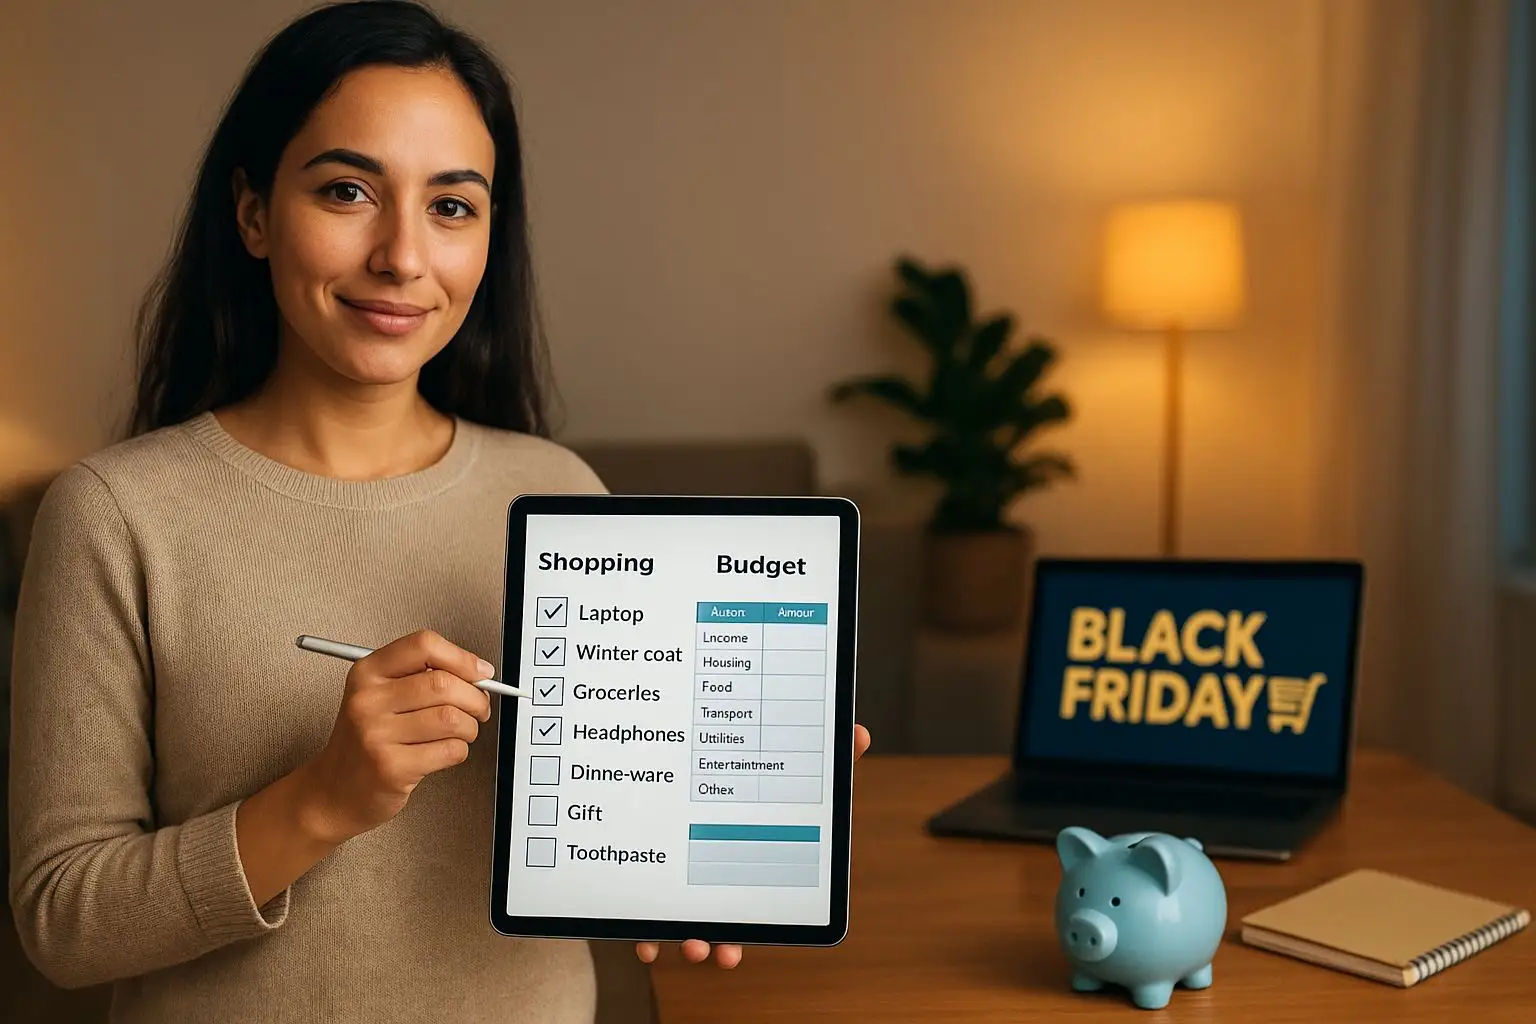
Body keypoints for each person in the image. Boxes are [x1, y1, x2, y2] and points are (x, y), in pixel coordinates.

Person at [5, 2, 871, 1021]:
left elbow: (596, 850)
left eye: (452, 206)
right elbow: (63, 923)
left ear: (489, 234)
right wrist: (321, 800)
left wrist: (719, 830)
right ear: (251, 213)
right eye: (346, 191)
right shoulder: (115, 515)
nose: (403, 256)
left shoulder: (558, 493)